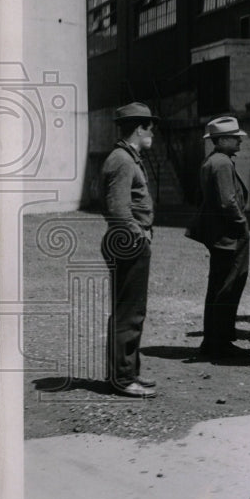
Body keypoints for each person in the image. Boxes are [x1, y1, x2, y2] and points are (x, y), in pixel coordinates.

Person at [100, 102, 159, 398]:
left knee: (131, 310)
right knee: (129, 313)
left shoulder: (127, 157)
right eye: (150, 128)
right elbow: (117, 210)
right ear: (139, 128)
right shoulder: (122, 160)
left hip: (128, 241)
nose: (153, 134)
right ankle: (122, 379)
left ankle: (128, 372)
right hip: (128, 242)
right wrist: (139, 236)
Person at [191, 116, 250, 359]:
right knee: (228, 287)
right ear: (223, 139)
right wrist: (241, 222)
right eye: (235, 137)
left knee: (218, 286)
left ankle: (214, 340)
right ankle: (220, 343)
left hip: (219, 235)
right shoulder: (222, 163)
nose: (239, 141)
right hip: (229, 235)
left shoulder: (213, 161)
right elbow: (228, 201)